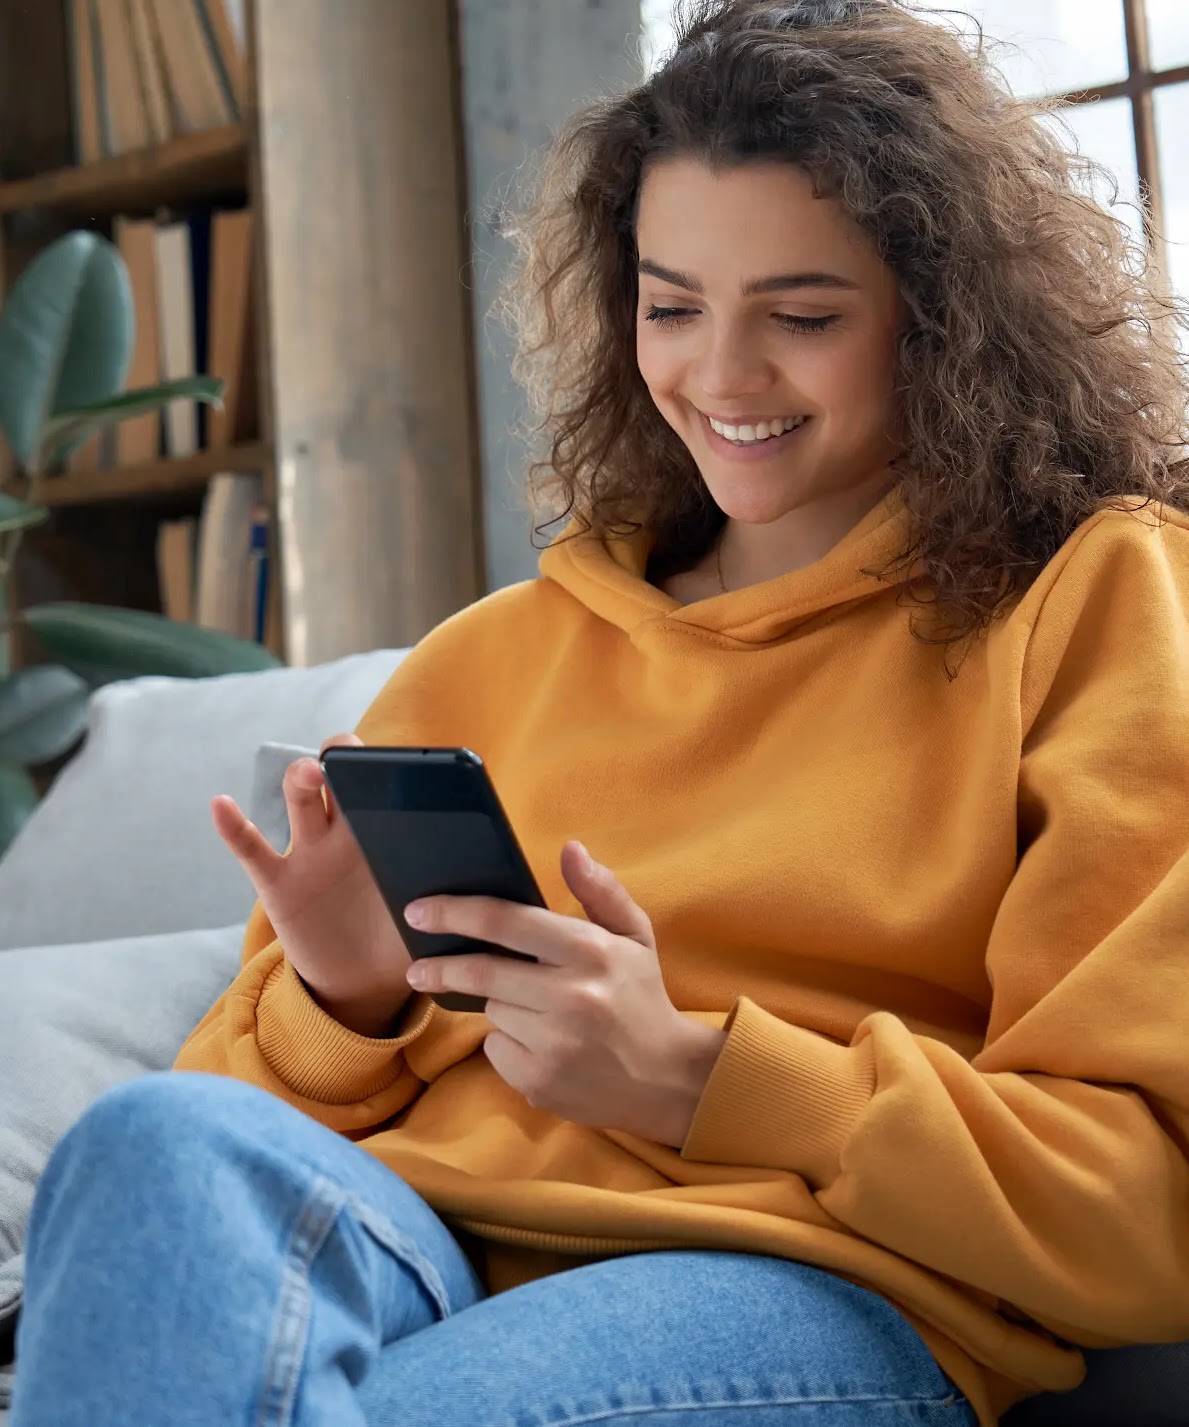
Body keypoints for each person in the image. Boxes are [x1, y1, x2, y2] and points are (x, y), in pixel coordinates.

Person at [12, 1, 1189, 1423]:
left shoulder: (1092, 600)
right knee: (153, 1141)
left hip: (800, 1276)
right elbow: (254, 1127)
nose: (721, 376)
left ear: (941, 322)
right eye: (671, 304)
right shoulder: (494, 655)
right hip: (414, 1236)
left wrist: (696, 1075)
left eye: (801, 315)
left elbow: (1140, 1211)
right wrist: (349, 995)